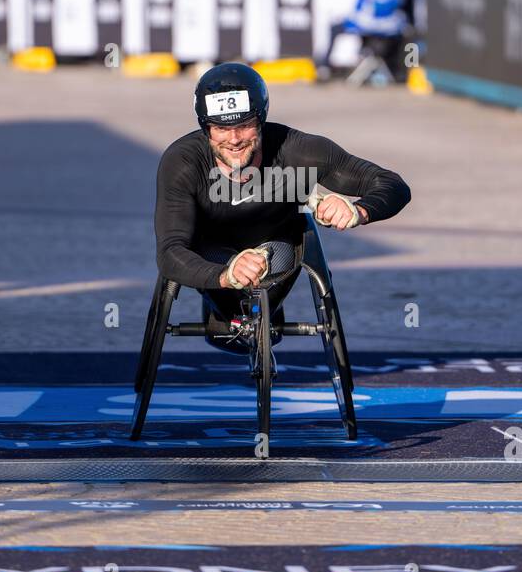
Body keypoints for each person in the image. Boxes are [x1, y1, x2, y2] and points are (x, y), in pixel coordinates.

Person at [154, 63, 410, 354]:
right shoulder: (182, 162)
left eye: (244, 125)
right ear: (205, 127)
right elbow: (170, 252)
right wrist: (225, 275)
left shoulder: (298, 150)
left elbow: (393, 185)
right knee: (215, 272)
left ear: (261, 118)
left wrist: (359, 211)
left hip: (278, 249)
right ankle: (227, 309)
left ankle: (261, 311)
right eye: (222, 128)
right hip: (211, 255)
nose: (234, 139)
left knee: (279, 257)